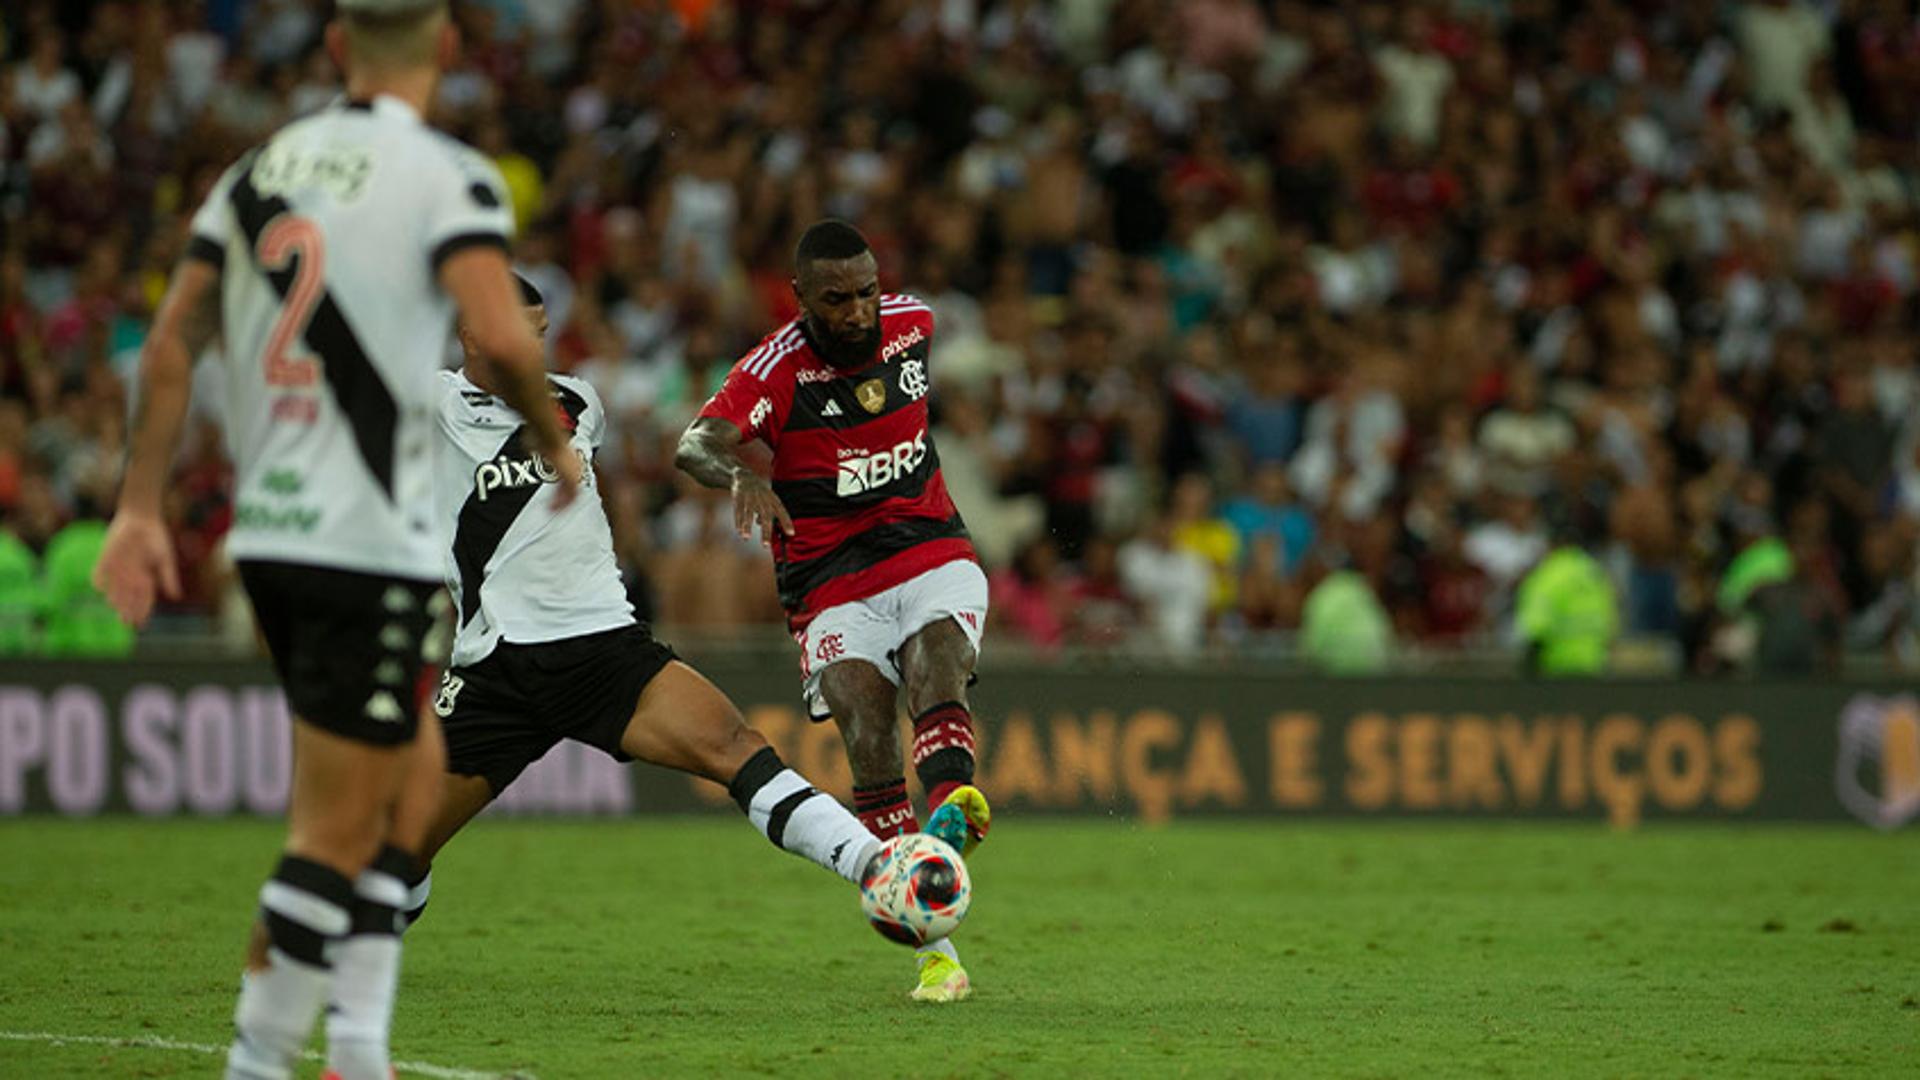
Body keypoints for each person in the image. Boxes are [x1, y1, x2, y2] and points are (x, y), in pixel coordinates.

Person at [91, 4, 580, 1078]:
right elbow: (499, 332)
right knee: (336, 830)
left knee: (408, 796)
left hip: (271, 539)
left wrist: (137, 507)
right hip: (368, 541)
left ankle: (359, 1047)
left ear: (334, 50)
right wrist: (560, 444)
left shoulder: (256, 174)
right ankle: (259, 1061)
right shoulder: (450, 174)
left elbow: (173, 341)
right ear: (446, 50)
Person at [406, 274, 886, 943]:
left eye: (543, 334)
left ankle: (881, 868)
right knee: (391, 854)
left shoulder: (578, 402)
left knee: (736, 748)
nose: (537, 349)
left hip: (604, 648)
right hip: (496, 667)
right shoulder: (428, 405)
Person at [675, 219, 990, 1003]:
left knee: (937, 657)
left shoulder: (914, 324)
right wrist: (739, 473)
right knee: (864, 721)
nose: (857, 312)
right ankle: (930, 943)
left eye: (866, 293)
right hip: (827, 580)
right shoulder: (775, 369)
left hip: (928, 547)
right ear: (802, 299)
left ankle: (952, 812)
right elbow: (693, 445)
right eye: (837, 300)